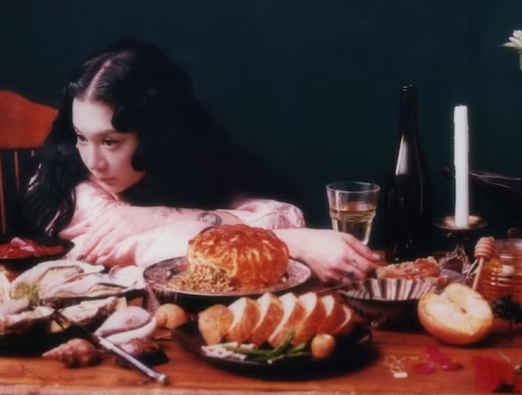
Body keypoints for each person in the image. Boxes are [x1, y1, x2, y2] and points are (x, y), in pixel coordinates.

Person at [19, 39, 380, 283]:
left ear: (156, 135)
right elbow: (158, 249)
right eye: (82, 136)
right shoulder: (60, 181)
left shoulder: (188, 163)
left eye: (110, 142)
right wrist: (294, 244)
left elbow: (282, 214)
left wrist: (157, 216)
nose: (93, 161)